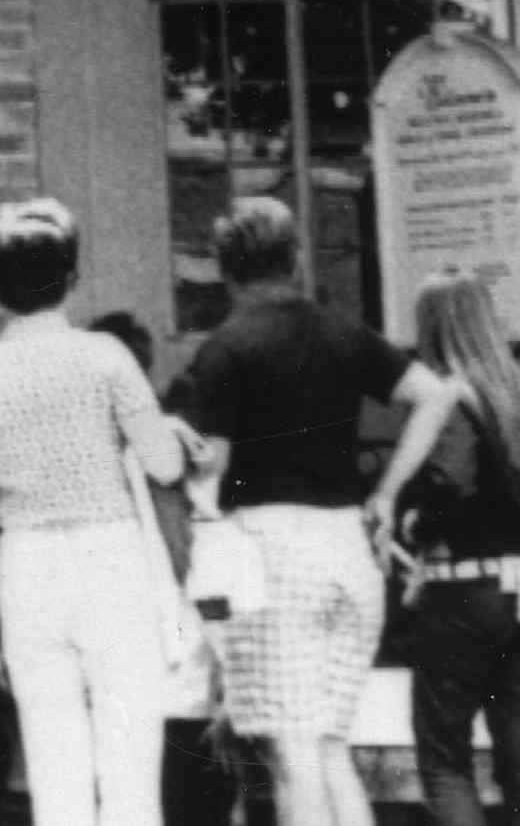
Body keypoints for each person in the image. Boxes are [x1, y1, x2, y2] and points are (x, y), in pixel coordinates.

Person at [163, 198, 461, 826]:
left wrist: (172, 454)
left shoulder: (224, 348)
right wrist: (387, 492)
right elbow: (434, 397)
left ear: (224, 269)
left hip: (270, 553)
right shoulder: (344, 332)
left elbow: (213, 467)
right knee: (328, 745)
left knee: (291, 755)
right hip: (348, 547)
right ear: (296, 258)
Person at [0, 203, 186, 826]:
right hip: (109, 556)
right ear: (72, 278)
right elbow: (164, 464)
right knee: (129, 754)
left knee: (54, 762)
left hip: (28, 563)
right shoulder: (106, 356)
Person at [373, 275, 520, 826]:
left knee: (444, 759)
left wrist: (416, 522)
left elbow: (451, 483)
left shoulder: (451, 396)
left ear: (433, 328)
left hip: (464, 589)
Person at [90, 312, 241, 826]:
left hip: (161, 668)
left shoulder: (151, 453)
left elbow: (193, 558)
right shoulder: (167, 448)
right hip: (178, 667)